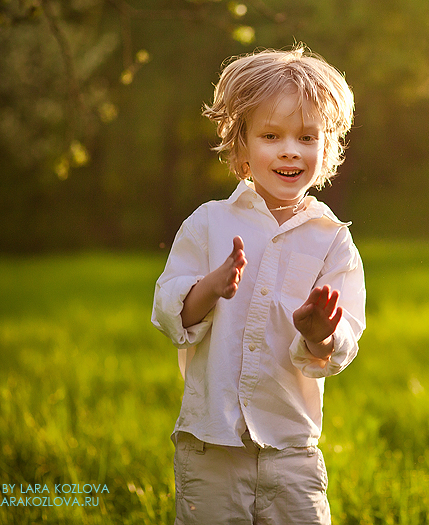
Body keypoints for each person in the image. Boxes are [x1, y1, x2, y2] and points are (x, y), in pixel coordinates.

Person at [151, 45, 365, 525]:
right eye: (271, 135)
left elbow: (342, 342)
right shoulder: (209, 224)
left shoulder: (333, 241)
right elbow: (169, 312)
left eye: (306, 137)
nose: (290, 149)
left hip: (291, 449)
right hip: (211, 445)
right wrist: (212, 286)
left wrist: (319, 331)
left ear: (326, 149)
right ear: (241, 146)